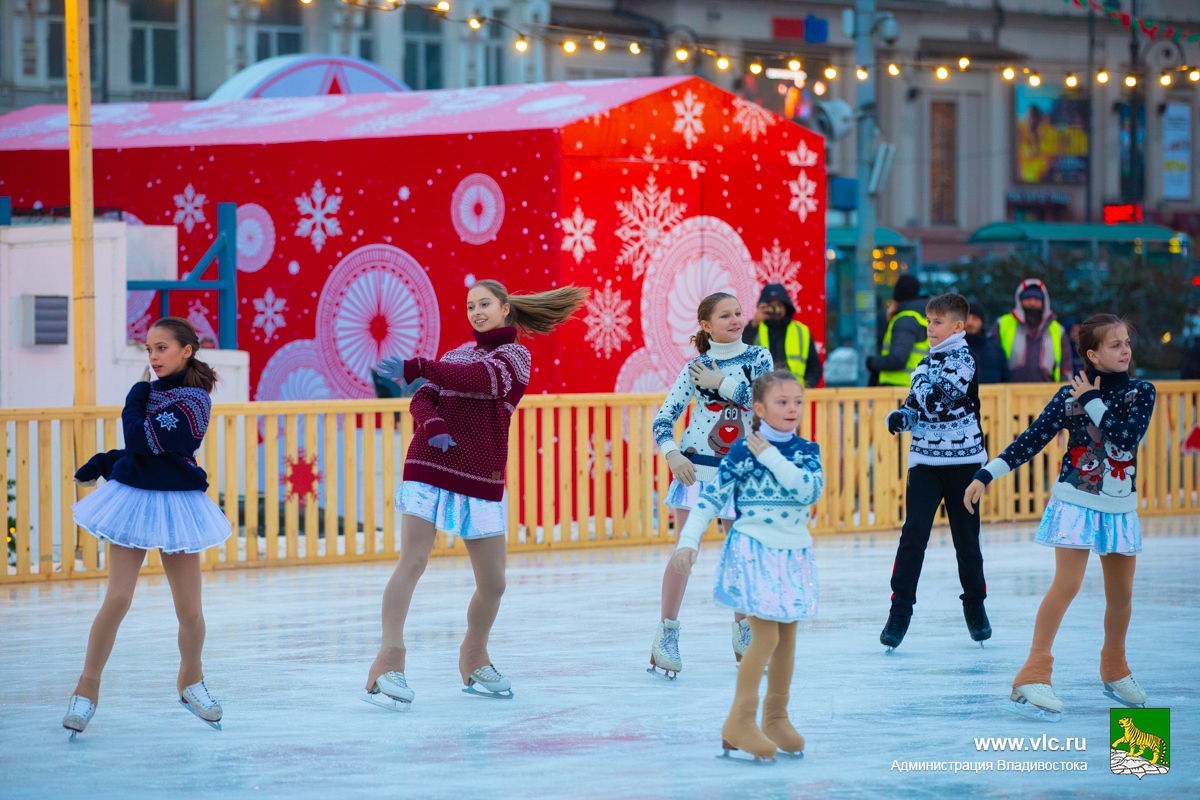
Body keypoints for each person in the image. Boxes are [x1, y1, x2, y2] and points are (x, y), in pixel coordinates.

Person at [364, 280, 587, 709]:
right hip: (430, 463)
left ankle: (473, 654)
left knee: (494, 583)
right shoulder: (453, 355)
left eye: (484, 304)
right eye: (470, 306)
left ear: (505, 309)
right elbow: (423, 399)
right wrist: (432, 425)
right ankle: (388, 660)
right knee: (412, 561)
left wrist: (420, 366)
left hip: (480, 474)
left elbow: (480, 382)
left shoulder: (514, 357)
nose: (476, 312)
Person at [964, 314, 1154, 721]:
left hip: (1119, 508)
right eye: (1115, 345)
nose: (1126, 350)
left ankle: (1115, 668)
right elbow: (1031, 440)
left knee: (1121, 596)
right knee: (1066, 585)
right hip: (1076, 502)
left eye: (1126, 343)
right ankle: (1033, 672)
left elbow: (1125, 436)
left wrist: (1092, 401)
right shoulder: (1068, 396)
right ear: (1093, 354)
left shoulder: (1141, 391)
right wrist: (985, 473)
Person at [62, 317, 232, 738]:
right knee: (117, 598)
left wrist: (135, 398)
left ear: (186, 350)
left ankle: (191, 681)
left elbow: (146, 442)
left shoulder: (195, 401)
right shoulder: (147, 395)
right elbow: (140, 452)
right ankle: (86, 690)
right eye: (149, 350)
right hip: (134, 499)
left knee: (189, 610)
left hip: (178, 503)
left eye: (162, 348)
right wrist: (106, 462)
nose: (154, 357)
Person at [671, 370, 824, 761]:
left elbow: (807, 490)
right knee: (766, 638)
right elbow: (709, 499)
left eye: (797, 402)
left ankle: (775, 717)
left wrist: (770, 455)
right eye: (781, 402)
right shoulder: (740, 451)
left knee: (788, 638)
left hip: (792, 553)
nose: (792, 409)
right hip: (754, 550)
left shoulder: (807, 450)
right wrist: (688, 542)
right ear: (758, 408)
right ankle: (739, 721)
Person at [650, 292, 774, 677]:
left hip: (739, 471)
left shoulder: (758, 358)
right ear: (706, 326)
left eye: (738, 312)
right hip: (696, 471)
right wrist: (672, 454)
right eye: (725, 315)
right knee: (685, 551)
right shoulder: (693, 368)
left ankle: (744, 632)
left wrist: (721, 383)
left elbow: (767, 406)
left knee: (741, 551)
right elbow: (662, 420)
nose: (736, 319)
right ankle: (666, 633)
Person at [879, 294, 990, 651]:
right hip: (925, 463)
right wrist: (901, 418)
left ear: (958, 327)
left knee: (966, 540)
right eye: (928, 321)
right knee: (913, 537)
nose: (930, 328)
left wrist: (920, 378)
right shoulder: (926, 363)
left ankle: (975, 607)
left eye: (937, 322)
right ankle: (900, 611)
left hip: (965, 463)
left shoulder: (963, 361)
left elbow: (938, 401)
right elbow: (917, 407)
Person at [741, 283, 823, 387]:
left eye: (778, 306)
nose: (775, 310)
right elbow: (740, 355)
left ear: (786, 306)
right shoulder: (755, 328)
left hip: (793, 393)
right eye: (771, 306)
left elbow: (815, 367)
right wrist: (754, 323)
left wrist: (805, 389)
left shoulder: (801, 331)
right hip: (763, 394)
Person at [991, 279, 1071, 383]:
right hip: (1010, 391)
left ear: (1044, 302)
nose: (1032, 303)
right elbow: (991, 359)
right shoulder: (1002, 323)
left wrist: (1064, 390)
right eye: (1028, 298)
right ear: (1020, 300)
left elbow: (1066, 365)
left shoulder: (1057, 329)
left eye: (1037, 299)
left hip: (1048, 392)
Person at [867, 274, 929, 386]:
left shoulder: (905, 319)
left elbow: (898, 358)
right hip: (913, 387)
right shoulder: (921, 316)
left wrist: (872, 363)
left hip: (898, 389)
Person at [966, 302, 1010, 384]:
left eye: (974, 318)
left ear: (981, 322)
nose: (970, 323)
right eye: (966, 319)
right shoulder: (951, 350)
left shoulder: (996, 351)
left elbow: (1006, 380)